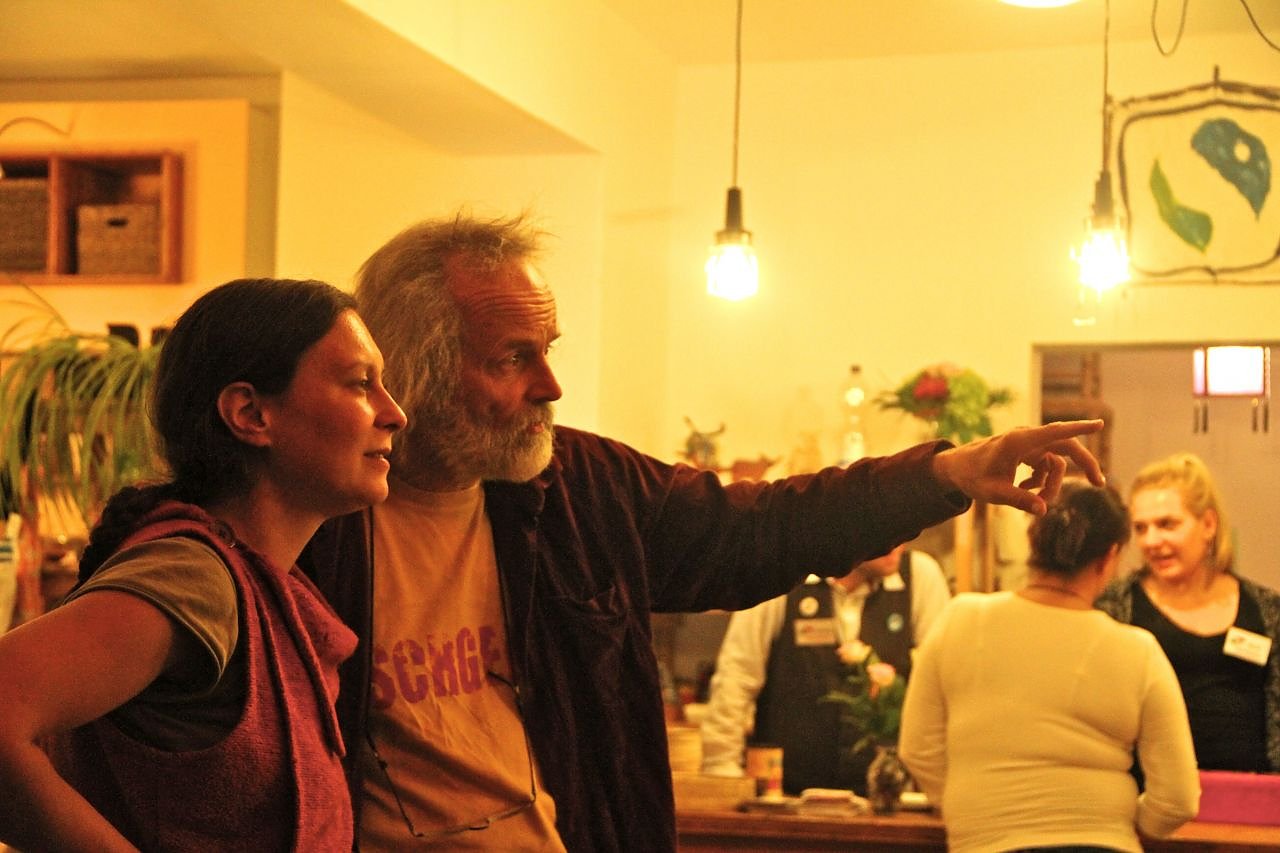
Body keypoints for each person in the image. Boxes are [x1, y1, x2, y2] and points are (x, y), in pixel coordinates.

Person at [298, 212, 1107, 853]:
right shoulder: (314, 523)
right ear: (419, 369)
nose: (552, 384)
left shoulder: (585, 489)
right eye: (513, 358)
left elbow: (766, 525)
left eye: (549, 350)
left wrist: (946, 473)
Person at [0, 278, 407, 852]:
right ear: (250, 414)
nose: (394, 414)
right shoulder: (193, 578)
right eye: (361, 383)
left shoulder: (266, 582)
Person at [899, 482, 1200, 853]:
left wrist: (978, 810)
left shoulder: (961, 621)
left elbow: (918, 749)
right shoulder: (1138, 651)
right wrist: (1116, 826)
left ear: (1032, 540)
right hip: (1103, 844)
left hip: (987, 842)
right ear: (1110, 556)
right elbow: (1178, 799)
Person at [699, 543, 949, 795]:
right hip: (786, 795)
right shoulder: (783, 571)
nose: (900, 541)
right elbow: (737, 677)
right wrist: (723, 769)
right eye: (888, 528)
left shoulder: (920, 576)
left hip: (884, 797)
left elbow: (942, 690)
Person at [1096, 452, 1280, 773]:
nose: (1152, 541)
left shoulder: (1266, 608)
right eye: (1141, 528)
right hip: (1151, 792)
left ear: (1208, 524)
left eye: (1167, 524)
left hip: (1250, 792)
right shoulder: (1114, 607)